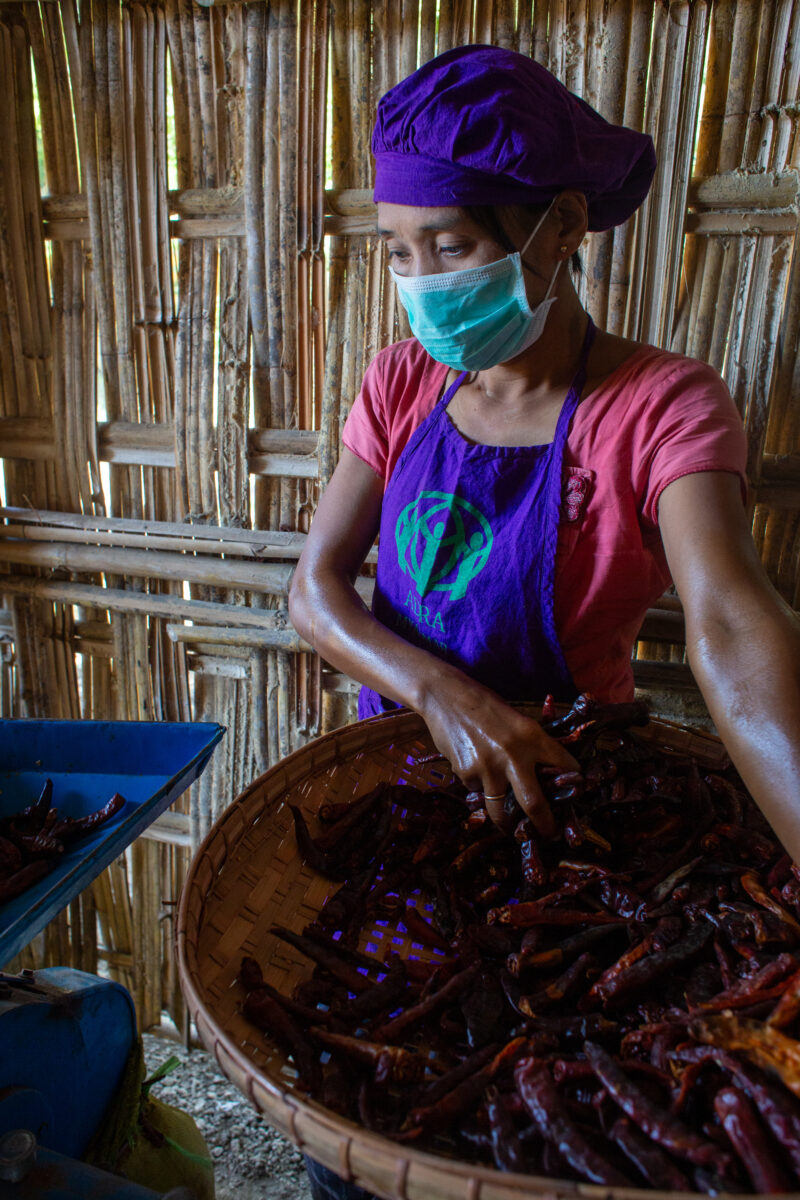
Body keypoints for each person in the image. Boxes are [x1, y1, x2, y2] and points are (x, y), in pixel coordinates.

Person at [289, 44, 800, 1199]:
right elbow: (314, 589)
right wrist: (442, 695)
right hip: (404, 809)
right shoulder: (399, 386)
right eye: (397, 252)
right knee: (369, 1117)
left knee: (535, 1103)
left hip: (568, 831)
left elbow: (728, 622)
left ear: (559, 227)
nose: (420, 282)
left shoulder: (659, 406)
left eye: (450, 247)